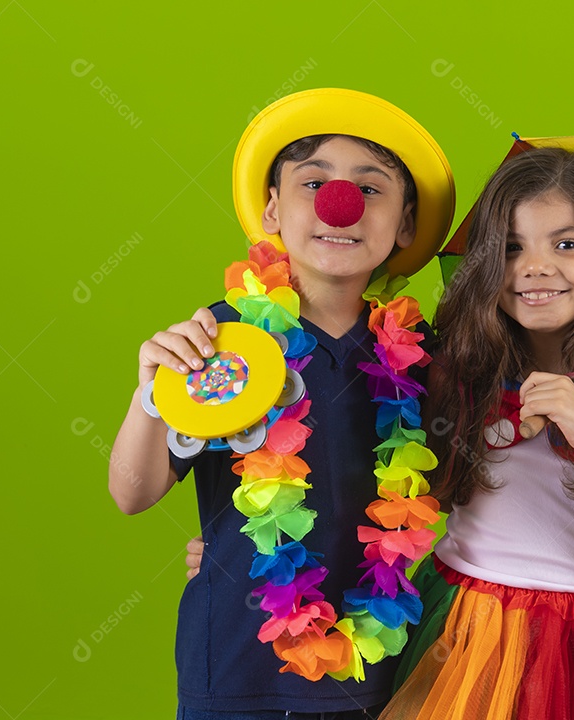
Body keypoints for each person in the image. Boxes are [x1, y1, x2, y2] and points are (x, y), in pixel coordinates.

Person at [108, 88, 455, 719]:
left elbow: (463, 499)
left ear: (404, 224)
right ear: (272, 209)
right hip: (238, 666)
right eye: (312, 182)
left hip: (375, 669)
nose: (340, 204)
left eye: (371, 189)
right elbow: (132, 492)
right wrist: (149, 392)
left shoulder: (425, 357)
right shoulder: (222, 338)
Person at [379, 146, 574, 719]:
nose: (535, 266)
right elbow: (396, 487)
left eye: (567, 244)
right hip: (463, 625)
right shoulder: (456, 362)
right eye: (511, 247)